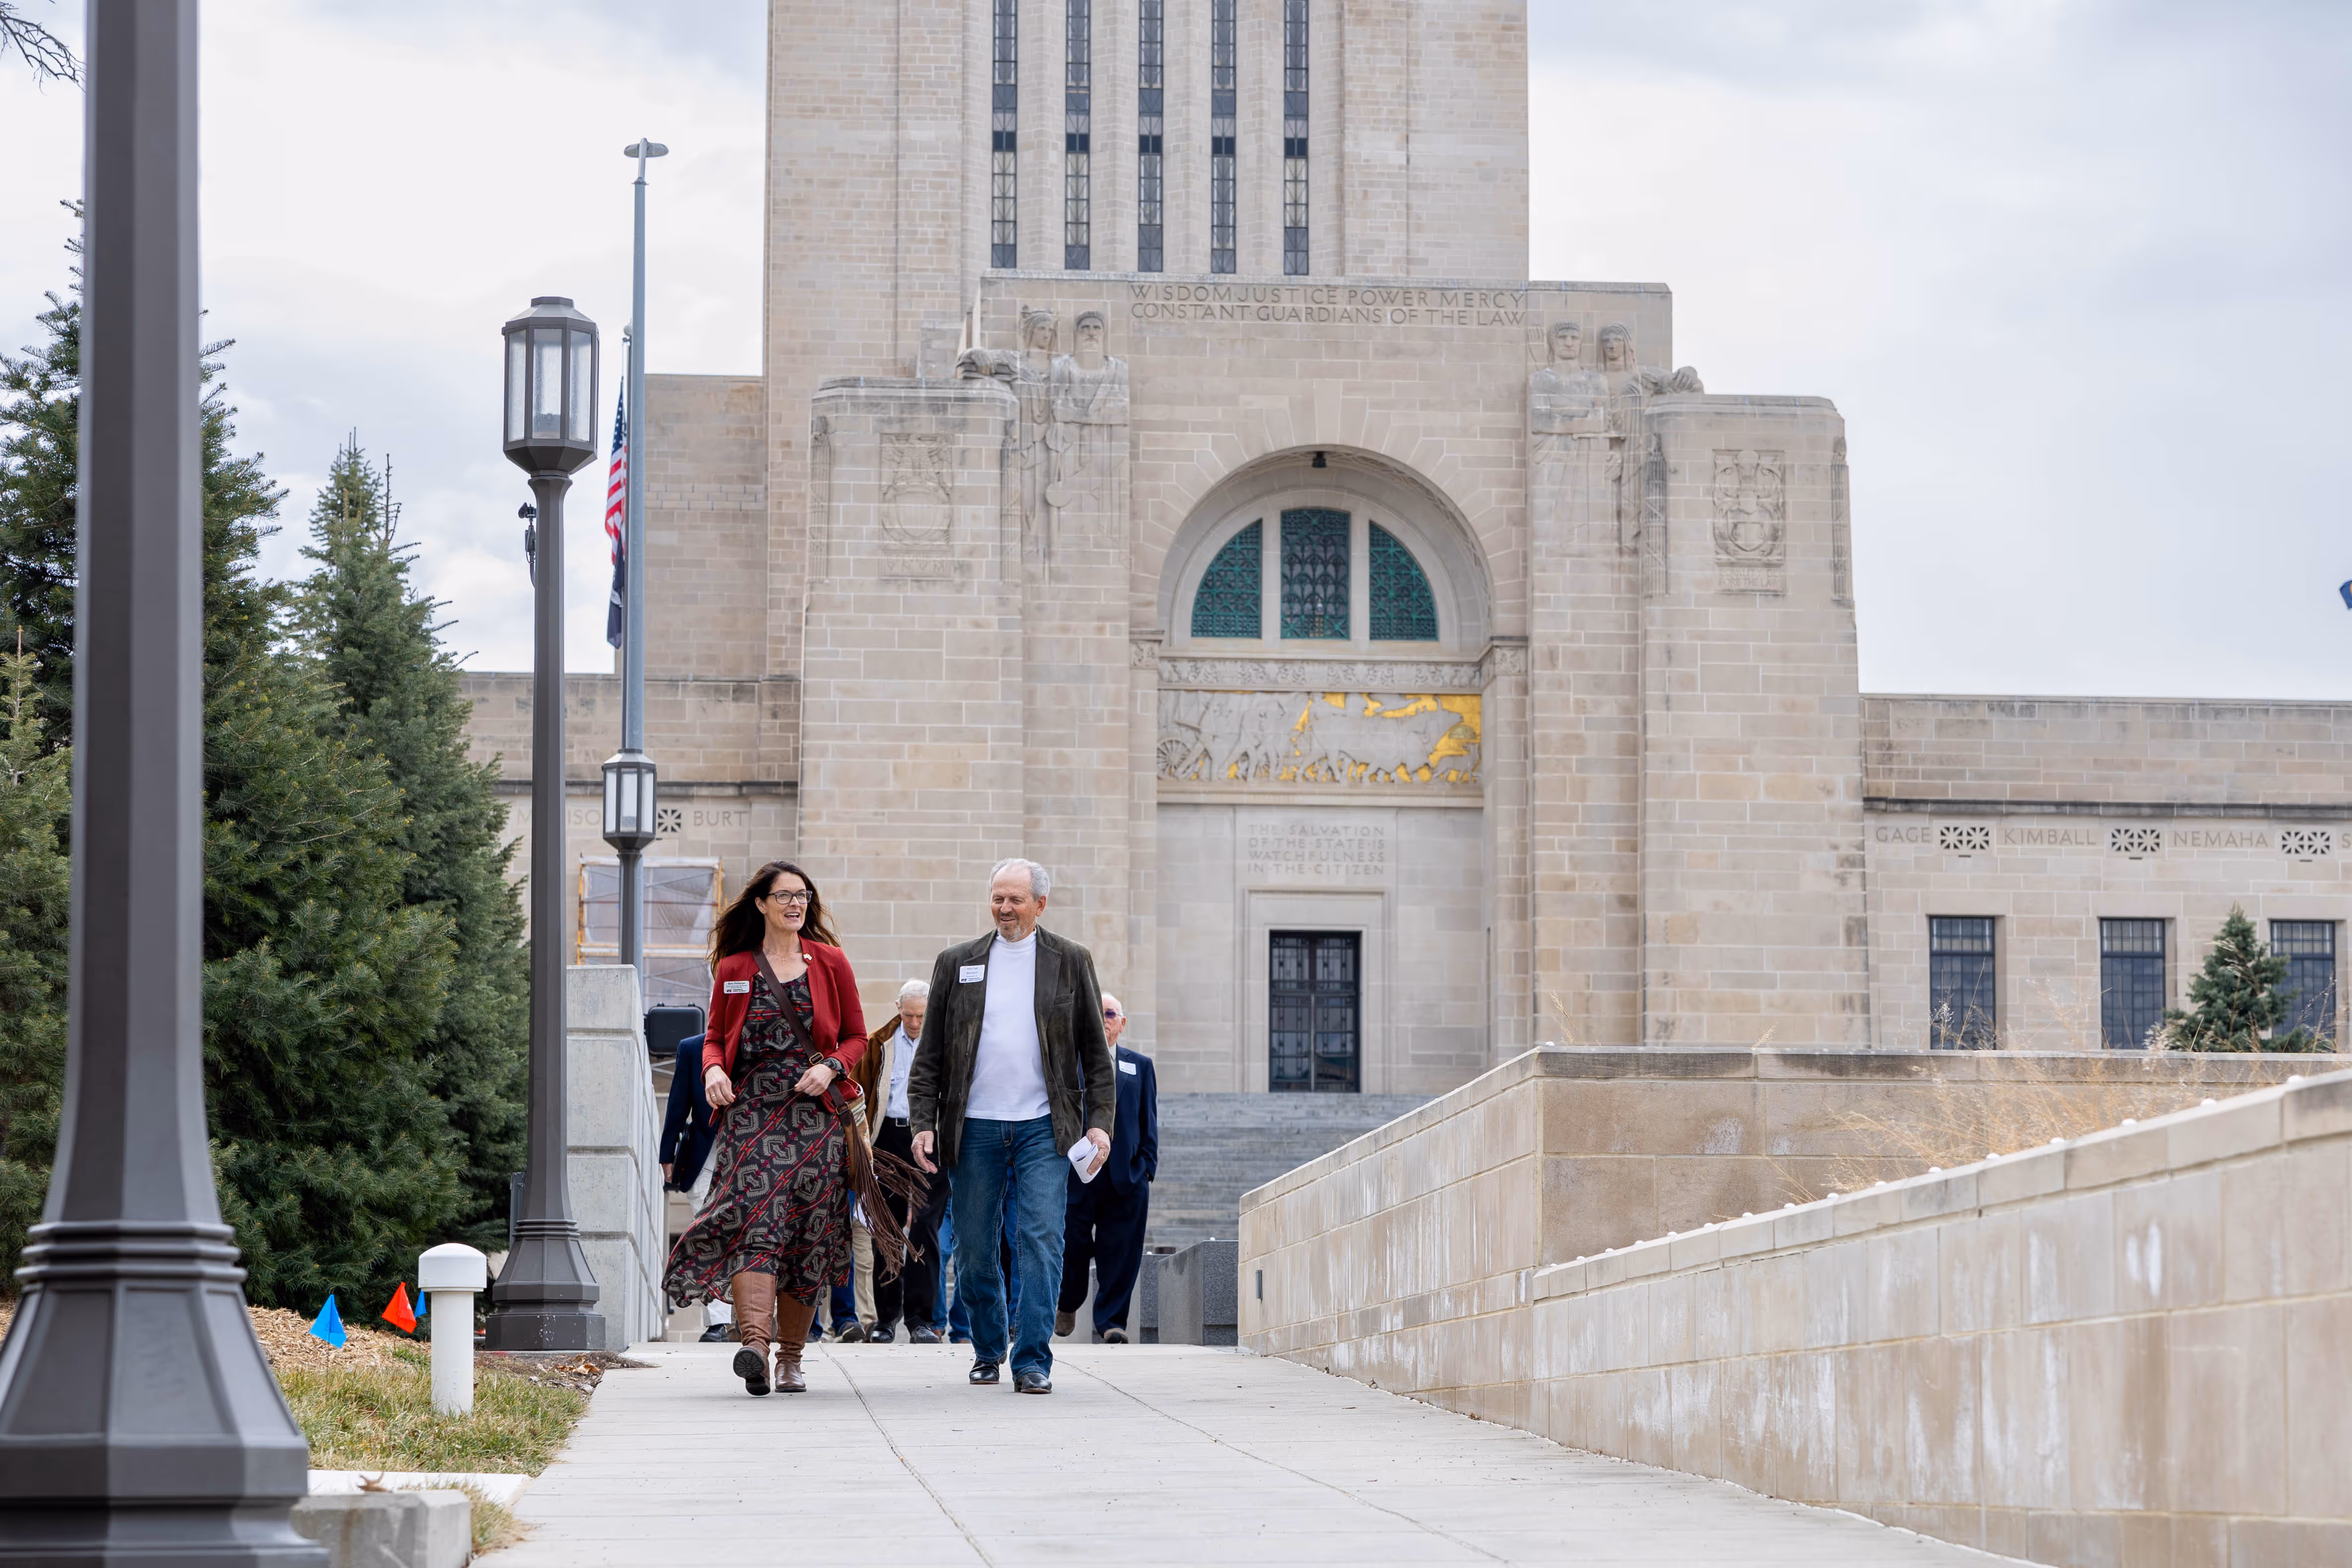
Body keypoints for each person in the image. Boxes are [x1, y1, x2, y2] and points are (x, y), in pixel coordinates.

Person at [662, 860, 894, 1396]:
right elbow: (715, 1037)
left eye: (803, 896)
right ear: (762, 904)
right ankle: (756, 1346)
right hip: (752, 1115)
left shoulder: (831, 962)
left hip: (816, 1118)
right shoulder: (735, 966)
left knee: (808, 1236)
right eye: (785, 896)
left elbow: (856, 1037)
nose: (796, 904)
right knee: (753, 1224)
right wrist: (713, 1069)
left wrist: (831, 1067)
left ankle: (791, 1357)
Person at [909, 858, 1114, 1394]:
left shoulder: (1071, 960)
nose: (1004, 908)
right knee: (975, 1248)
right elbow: (929, 1055)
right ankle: (987, 1347)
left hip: (1045, 1126)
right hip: (974, 1126)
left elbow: (1096, 1054)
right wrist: (923, 1122)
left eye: (1015, 899)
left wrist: (1100, 1125)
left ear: (1040, 905)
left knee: (1041, 1240)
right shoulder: (957, 962)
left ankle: (1032, 1359)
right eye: (998, 898)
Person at [1056, 993, 1158, 1344]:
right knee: (1071, 1246)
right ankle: (1068, 1302)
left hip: (1125, 1178)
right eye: (1096, 1013)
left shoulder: (1139, 1066)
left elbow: (1148, 1118)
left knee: (1121, 1252)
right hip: (1077, 1177)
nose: (1103, 1020)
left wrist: (1147, 1167)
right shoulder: (1067, 1064)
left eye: (1110, 1014)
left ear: (1122, 1023)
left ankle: (1112, 1322)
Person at [861, 980, 949, 1342]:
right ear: (898, 1008)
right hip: (889, 1139)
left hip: (932, 1141)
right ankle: (885, 1321)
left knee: (925, 1227)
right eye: (909, 1015)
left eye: (921, 1016)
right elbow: (860, 1092)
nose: (914, 1023)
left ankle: (920, 1320)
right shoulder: (879, 1043)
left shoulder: (945, 1041)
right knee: (887, 1228)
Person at [657, 1030, 733, 1342]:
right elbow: (678, 1103)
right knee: (710, 1236)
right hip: (704, 1159)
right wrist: (667, 1155)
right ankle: (719, 1323)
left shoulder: (758, 1039)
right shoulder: (691, 1048)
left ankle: (747, 1320)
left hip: (753, 1156)